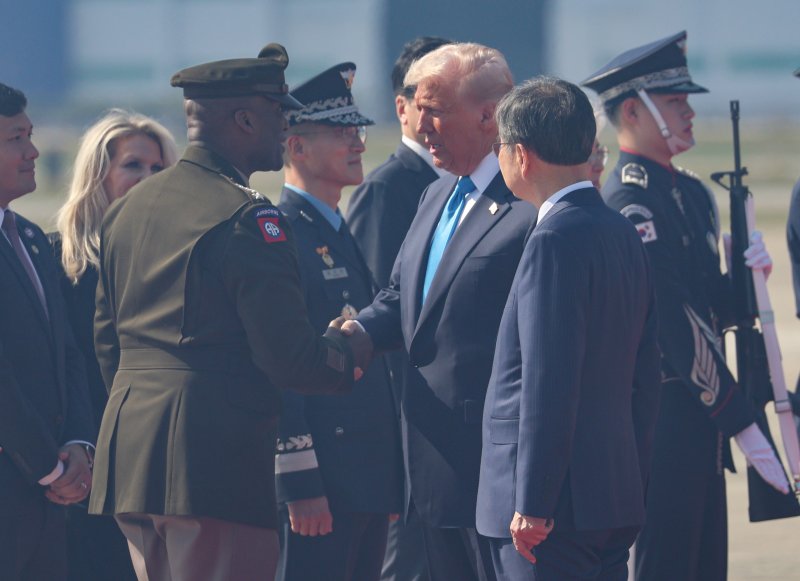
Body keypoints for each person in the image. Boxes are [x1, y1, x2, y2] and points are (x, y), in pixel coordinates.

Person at [87, 44, 370, 581]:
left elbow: (109, 342)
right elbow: (288, 359)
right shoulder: (245, 217)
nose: (285, 128)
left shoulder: (128, 209)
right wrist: (349, 350)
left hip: (133, 459)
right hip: (213, 464)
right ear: (244, 119)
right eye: (278, 113)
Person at [582, 31, 790, 581]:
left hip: (701, 418)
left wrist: (745, 281)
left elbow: (709, 307)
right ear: (634, 109)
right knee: (667, 565)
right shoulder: (629, 201)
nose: (692, 114)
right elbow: (671, 318)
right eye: (677, 103)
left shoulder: (690, 192)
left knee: (704, 567)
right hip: (662, 418)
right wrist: (739, 415)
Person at [342, 42, 537, 581]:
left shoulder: (528, 207)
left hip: (496, 476)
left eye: (435, 109)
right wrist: (357, 331)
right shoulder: (437, 195)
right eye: (415, 106)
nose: (419, 123)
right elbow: (404, 298)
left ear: (488, 116)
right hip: (428, 472)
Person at [475, 76, 661, 581]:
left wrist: (532, 501)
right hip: (610, 497)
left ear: (521, 155)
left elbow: (548, 381)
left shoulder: (553, 238)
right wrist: (633, 481)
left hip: (550, 514)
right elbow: (645, 375)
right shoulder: (621, 230)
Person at [274, 62, 402, 581]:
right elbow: (282, 364)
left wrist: (387, 478)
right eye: (339, 132)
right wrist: (300, 484)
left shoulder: (335, 228)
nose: (358, 143)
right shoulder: (282, 233)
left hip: (362, 478)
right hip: (323, 482)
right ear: (296, 147)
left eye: (358, 130)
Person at [50, 109, 178, 581]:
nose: (148, 178)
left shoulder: (180, 265)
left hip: (166, 471)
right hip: (88, 476)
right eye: (133, 165)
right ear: (96, 175)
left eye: (158, 169)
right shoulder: (56, 265)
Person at [346, 36, 451, 581]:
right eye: (427, 101)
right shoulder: (389, 191)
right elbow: (380, 315)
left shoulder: (467, 185)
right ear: (402, 108)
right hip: (411, 431)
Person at [0, 82, 95, 580]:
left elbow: (68, 353)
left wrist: (80, 442)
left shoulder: (31, 239)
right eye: (17, 138)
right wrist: (51, 469)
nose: (33, 151)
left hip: (45, 498)